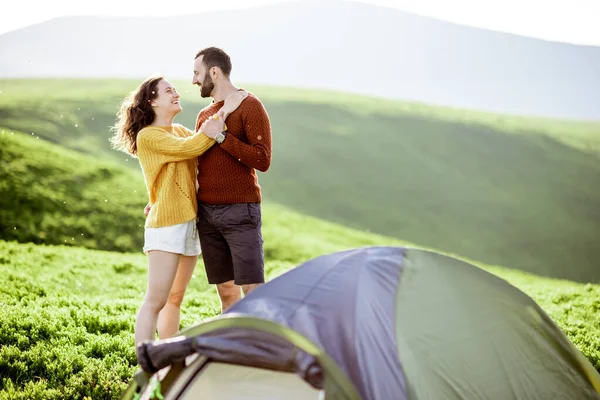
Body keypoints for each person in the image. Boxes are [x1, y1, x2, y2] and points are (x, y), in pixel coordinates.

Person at [110, 74, 247, 350]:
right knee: (156, 300)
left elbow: (199, 153)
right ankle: (146, 364)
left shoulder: (181, 130)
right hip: (166, 225)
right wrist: (226, 109)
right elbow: (193, 147)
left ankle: (167, 356)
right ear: (153, 101)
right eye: (168, 91)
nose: (176, 94)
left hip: (190, 223)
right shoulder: (149, 135)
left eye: (175, 90)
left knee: (175, 297)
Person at [192, 46, 272, 312]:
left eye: (197, 73)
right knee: (226, 292)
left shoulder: (250, 106)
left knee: (252, 290)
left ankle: (260, 349)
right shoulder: (204, 116)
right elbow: (194, 163)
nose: (194, 80)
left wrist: (222, 137)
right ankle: (234, 349)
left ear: (214, 72)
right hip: (207, 214)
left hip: (240, 211)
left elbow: (262, 160)